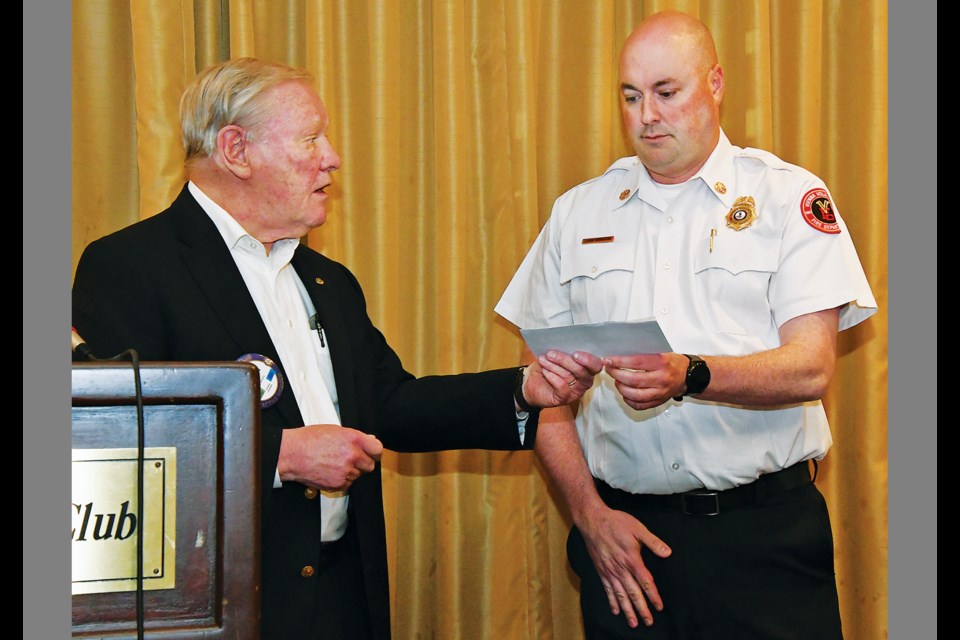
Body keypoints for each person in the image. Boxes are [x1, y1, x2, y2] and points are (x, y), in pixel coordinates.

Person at [71, 56, 603, 640]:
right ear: (236, 151)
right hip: (223, 606)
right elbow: (119, 447)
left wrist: (525, 389)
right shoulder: (131, 267)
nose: (333, 157)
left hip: (343, 593)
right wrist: (278, 456)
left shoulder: (326, 279)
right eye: (310, 138)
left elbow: (390, 404)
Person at [495, 10, 877, 640]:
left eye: (666, 93)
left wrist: (690, 374)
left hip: (762, 539)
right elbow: (545, 389)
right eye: (630, 96)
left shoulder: (786, 198)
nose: (646, 115)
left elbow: (811, 365)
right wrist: (589, 517)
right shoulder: (577, 212)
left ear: (716, 83)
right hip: (627, 540)